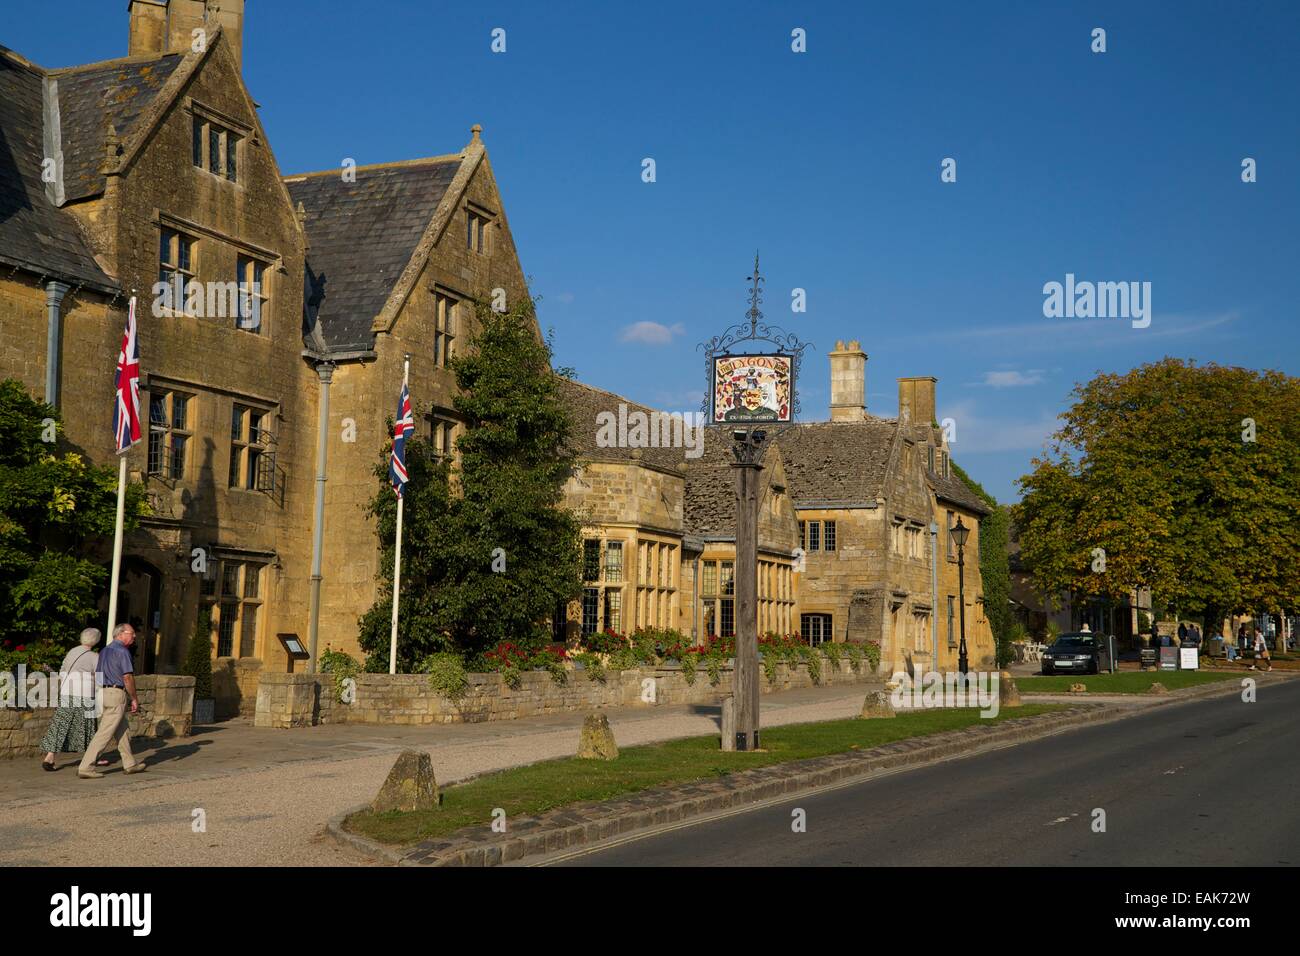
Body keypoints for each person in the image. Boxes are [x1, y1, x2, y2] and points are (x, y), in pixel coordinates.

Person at [77, 623, 147, 779]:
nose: (134, 636)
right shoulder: (122, 651)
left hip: (103, 692)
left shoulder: (104, 650)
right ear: (121, 634)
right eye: (132, 633)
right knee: (105, 732)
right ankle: (86, 766)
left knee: (122, 729)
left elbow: (98, 674)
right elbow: (127, 677)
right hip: (116, 693)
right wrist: (134, 698)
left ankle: (130, 764)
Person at [39, 628, 110, 771]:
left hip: (67, 693)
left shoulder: (72, 652)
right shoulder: (94, 656)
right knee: (89, 725)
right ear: (96, 640)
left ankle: (50, 756)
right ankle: (93, 757)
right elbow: (99, 678)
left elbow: (62, 670)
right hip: (85, 694)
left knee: (61, 723)